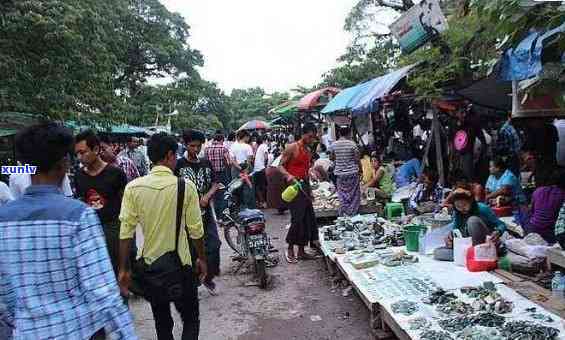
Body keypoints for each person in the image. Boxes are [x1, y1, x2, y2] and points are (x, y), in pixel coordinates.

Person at [0, 122, 136, 339]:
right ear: (64, 163)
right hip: (75, 330)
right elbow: (103, 292)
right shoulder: (79, 217)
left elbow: (5, 297)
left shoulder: (3, 221)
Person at [118, 132, 207, 340]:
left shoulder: (133, 188)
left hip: (150, 267)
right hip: (182, 265)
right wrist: (202, 258)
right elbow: (196, 230)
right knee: (191, 318)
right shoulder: (185, 186)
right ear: (169, 155)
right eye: (175, 156)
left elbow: (126, 232)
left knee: (162, 321)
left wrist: (123, 268)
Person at [75, 130, 128, 277]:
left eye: (83, 152)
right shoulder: (79, 176)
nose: (79, 157)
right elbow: (82, 201)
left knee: (117, 271)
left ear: (96, 149)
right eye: (77, 153)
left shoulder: (115, 173)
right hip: (91, 230)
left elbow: (126, 205)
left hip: (113, 229)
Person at [175, 129, 221, 296]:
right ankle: (192, 284)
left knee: (214, 246)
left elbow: (216, 183)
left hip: (206, 213)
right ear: (185, 145)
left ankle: (208, 277)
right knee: (190, 251)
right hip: (186, 216)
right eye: (192, 146)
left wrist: (207, 196)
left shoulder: (206, 163)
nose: (195, 149)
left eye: (198, 146)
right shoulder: (178, 165)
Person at [279, 123, 320, 263]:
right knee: (297, 218)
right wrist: (288, 176)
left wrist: (311, 174)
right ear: (304, 134)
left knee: (308, 218)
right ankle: (290, 248)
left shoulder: (308, 150)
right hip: (294, 186)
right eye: (309, 137)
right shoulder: (292, 147)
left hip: (305, 185)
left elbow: (305, 168)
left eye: (313, 138)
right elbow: (279, 166)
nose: (311, 139)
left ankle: (301, 250)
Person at [434, 187, 506, 261]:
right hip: (468, 244)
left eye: (465, 205)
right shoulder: (458, 213)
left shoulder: (482, 208)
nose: (462, 209)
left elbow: (501, 225)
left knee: (472, 221)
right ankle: (469, 256)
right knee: (437, 252)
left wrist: (498, 232)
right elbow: (456, 230)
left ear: (471, 201)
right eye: (458, 206)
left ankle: (477, 255)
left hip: (485, 244)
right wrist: (451, 238)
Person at [522, 169, 565, 243]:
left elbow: (531, 210)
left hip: (532, 228)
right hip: (550, 233)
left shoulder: (539, 190)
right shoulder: (562, 195)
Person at [330, 125, 362, 217]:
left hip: (340, 174)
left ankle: (344, 214)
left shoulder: (334, 144)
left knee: (342, 194)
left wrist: (339, 157)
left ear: (339, 133)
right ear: (349, 133)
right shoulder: (352, 144)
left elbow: (331, 158)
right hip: (352, 173)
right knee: (354, 195)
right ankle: (353, 214)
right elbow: (357, 159)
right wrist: (361, 170)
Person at [204, 130, 232, 216]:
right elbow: (228, 162)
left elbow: (205, 161)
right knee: (223, 192)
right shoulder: (223, 149)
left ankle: (216, 213)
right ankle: (223, 213)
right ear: (221, 140)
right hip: (222, 173)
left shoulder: (207, 149)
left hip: (211, 174)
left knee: (214, 193)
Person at [230, 130, 255, 209]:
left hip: (235, 169)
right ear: (245, 137)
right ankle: (247, 206)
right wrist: (245, 170)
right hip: (246, 168)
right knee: (247, 187)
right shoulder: (247, 146)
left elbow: (232, 160)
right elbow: (249, 160)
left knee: (236, 187)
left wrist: (239, 167)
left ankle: (237, 206)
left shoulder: (233, 146)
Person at [495, 112, 522, 177]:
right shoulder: (504, 129)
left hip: (516, 157)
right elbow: (503, 147)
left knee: (516, 176)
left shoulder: (512, 126)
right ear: (509, 117)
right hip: (510, 158)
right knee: (512, 176)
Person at [253, 135, 269, 209]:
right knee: (263, 186)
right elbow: (266, 156)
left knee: (258, 187)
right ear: (265, 140)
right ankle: (264, 202)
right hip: (260, 168)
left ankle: (260, 202)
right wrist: (265, 165)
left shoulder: (259, 147)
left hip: (256, 169)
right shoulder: (264, 145)